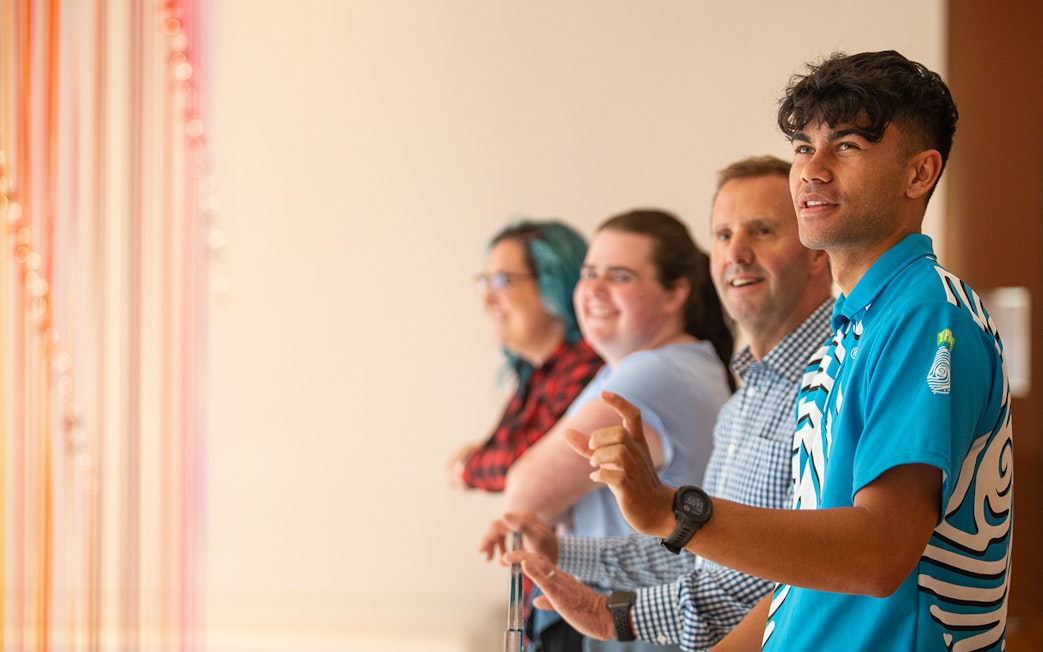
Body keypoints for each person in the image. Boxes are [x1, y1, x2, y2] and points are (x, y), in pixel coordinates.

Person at [519, 51, 1013, 651]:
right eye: (804, 147)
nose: (812, 170)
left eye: (848, 146)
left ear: (919, 174)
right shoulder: (854, 329)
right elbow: (795, 583)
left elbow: (878, 554)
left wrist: (674, 512)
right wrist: (613, 612)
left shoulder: (924, 314)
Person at [481, 154, 835, 651]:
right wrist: (570, 562)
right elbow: (705, 558)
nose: (737, 253)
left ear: (817, 251)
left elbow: (812, 582)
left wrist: (613, 614)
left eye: (762, 231)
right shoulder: (744, 398)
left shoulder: (837, 375)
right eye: (723, 235)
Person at [504, 209, 736, 652]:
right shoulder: (636, 366)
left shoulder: (656, 373)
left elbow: (524, 496)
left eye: (620, 276)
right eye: (589, 273)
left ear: (675, 295)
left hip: (635, 631)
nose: (594, 289)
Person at [447, 220, 603, 492]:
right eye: (485, 282)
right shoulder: (534, 372)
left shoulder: (588, 362)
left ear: (555, 282)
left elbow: (530, 465)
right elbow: (500, 450)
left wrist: (469, 468)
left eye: (503, 281)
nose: (488, 299)